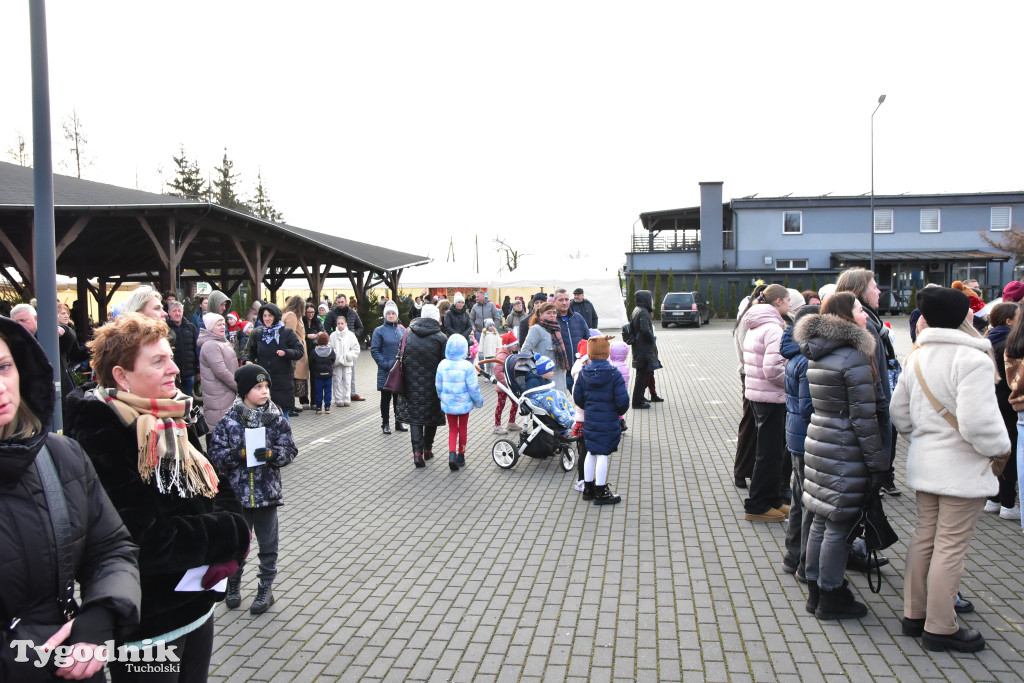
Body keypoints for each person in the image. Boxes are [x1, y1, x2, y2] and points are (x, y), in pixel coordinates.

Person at [65, 313, 250, 681]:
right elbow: (138, 539)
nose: (175, 370)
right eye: (159, 361)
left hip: (196, 605)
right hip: (146, 621)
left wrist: (234, 527)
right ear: (121, 376)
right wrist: (230, 534)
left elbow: (216, 485)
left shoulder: (171, 415)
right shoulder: (100, 433)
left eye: (171, 357)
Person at [0, 315, 141, 682]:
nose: (0, 386)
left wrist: (100, 617)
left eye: (4, 366)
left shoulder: (60, 456)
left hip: (69, 669)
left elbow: (110, 547)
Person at [890, 287, 1010, 653]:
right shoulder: (972, 359)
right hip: (961, 468)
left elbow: (899, 413)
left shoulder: (917, 354)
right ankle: (941, 626)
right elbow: (978, 425)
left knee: (925, 536)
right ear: (965, 317)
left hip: (926, 462)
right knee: (950, 546)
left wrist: (924, 437)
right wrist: (1001, 450)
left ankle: (915, 614)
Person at [794, 293, 886, 620]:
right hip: (845, 447)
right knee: (839, 523)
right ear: (847, 315)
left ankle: (817, 591)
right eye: (861, 309)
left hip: (821, 440)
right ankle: (832, 596)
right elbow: (864, 417)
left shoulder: (820, 350)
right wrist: (878, 464)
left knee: (822, 516)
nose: (866, 314)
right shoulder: (854, 356)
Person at [208, 365, 297, 616]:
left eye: (266, 386)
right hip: (238, 497)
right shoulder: (229, 420)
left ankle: (265, 589)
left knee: (268, 545)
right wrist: (237, 454)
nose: (265, 391)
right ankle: (233, 585)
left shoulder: (276, 418)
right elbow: (215, 455)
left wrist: (271, 454)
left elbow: (290, 450)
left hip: (267, 495)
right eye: (258, 387)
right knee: (238, 544)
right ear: (245, 391)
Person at [836, 268, 898, 495]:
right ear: (860, 291)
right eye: (874, 286)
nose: (879, 291)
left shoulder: (858, 322)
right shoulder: (865, 326)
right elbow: (874, 379)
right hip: (866, 420)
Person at [741, 284, 790, 523]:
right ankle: (758, 504)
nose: (790, 306)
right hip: (771, 396)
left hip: (760, 395)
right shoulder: (773, 329)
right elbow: (772, 370)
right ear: (778, 302)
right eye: (789, 301)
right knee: (769, 454)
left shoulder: (757, 324)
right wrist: (791, 383)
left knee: (771, 452)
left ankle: (772, 499)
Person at [780, 304, 820, 579]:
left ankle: (792, 556)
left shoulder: (795, 354)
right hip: (806, 436)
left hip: (796, 435)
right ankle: (803, 562)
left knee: (798, 499)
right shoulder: (806, 361)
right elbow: (809, 407)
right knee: (807, 503)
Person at [574, 337, 630, 505]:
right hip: (608, 420)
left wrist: (589, 408)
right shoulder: (614, 374)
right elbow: (623, 401)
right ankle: (601, 492)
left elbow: (578, 397)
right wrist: (618, 413)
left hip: (590, 420)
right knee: (603, 454)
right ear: (607, 353)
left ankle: (588, 488)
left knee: (591, 451)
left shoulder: (583, 373)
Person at [396, 304, 448, 468]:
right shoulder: (441, 337)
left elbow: (400, 355)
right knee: (431, 416)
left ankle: (417, 452)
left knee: (415, 417)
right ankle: (427, 448)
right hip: (433, 384)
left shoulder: (407, 334)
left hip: (411, 383)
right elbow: (445, 362)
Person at [984, 302, 1020, 520]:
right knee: (1011, 451)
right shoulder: (1010, 343)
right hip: (1008, 404)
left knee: (996, 451)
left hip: (991, 402)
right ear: (1009, 321)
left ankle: (994, 498)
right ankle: (1007, 502)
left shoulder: (987, 339)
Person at [241, 302, 305, 416]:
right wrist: (248, 361)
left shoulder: (286, 333)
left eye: (270, 315)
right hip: (264, 382)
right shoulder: (259, 334)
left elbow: (299, 351)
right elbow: (251, 351)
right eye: (264, 316)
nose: (267, 318)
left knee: (282, 418)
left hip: (282, 382)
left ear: (276, 316)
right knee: (265, 417)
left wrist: (285, 352)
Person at [435, 334, 483, 470]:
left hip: (448, 403)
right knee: (463, 427)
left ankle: (451, 454)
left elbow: (438, 385)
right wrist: (478, 401)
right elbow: (473, 388)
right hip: (463, 403)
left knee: (452, 429)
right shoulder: (467, 366)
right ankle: (461, 455)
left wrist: (441, 397)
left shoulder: (442, 364)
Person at [198, 312, 239, 435]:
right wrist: (239, 387)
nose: (223, 327)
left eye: (223, 324)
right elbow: (221, 372)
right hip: (218, 395)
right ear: (210, 327)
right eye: (218, 325)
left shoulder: (221, 341)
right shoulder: (210, 345)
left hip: (228, 392)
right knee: (218, 430)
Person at [371, 300, 407, 435]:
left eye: (393, 313)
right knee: (385, 398)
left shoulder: (402, 330)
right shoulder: (379, 331)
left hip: (399, 370)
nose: (391, 316)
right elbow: (375, 350)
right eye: (389, 313)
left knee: (398, 398)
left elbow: (406, 348)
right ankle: (385, 423)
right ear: (385, 315)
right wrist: (385, 364)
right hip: (386, 370)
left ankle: (399, 421)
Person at [521, 302, 571, 394]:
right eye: (548, 313)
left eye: (554, 312)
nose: (552, 315)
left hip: (560, 372)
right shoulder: (536, 329)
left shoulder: (556, 327)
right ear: (540, 314)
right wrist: (537, 368)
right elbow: (525, 350)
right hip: (546, 376)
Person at [324, 294, 366, 401]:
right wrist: (333, 336)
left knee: (351, 371)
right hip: (337, 346)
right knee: (337, 374)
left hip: (349, 346)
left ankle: (352, 393)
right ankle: (339, 396)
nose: (340, 304)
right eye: (338, 302)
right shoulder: (331, 314)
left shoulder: (352, 313)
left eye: (342, 302)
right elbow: (326, 328)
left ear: (346, 301)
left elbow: (360, 327)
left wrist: (353, 335)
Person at [553, 289, 591, 391]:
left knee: (583, 398)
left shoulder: (578, 318)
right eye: (561, 300)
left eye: (566, 299)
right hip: (560, 370)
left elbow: (588, 339)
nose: (564, 302)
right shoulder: (552, 320)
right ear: (554, 302)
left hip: (579, 368)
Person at [629, 290, 660, 409]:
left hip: (639, 348)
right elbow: (645, 330)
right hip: (644, 349)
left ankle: (640, 398)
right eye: (650, 298)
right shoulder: (643, 312)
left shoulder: (637, 310)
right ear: (645, 299)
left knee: (642, 375)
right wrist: (652, 339)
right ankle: (637, 402)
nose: (651, 301)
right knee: (641, 376)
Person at [280, 297, 309, 415]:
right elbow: (290, 334)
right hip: (295, 352)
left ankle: (291, 405)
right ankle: (289, 406)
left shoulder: (289, 314)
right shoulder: (291, 315)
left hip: (296, 351)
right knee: (292, 380)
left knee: (293, 380)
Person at [166, 301, 200, 397]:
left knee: (188, 398)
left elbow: (196, 350)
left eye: (179, 311)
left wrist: (198, 370)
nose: (177, 313)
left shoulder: (191, 327)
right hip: (173, 374)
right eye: (174, 311)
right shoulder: (165, 328)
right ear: (169, 312)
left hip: (189, 372)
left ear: (183, 311)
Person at [493, 332, 521, 435]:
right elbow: (498, 372)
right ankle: (497, 425)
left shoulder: (510, 354)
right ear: (508, 345)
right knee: (501, 404)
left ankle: (511, 422)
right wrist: (507, 383)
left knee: (515, 402)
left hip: (509, 385)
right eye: (514, 344)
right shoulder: (502, 356)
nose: (516, 346)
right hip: (503, 386)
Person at [329, 316, 360, 407]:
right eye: (338, 323)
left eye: (342, 323)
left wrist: (348, 356)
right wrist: (335, 358)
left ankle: (347, 398)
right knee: (337, 381)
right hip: (337, 363)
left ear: (346, 324)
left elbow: (356, 348)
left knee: (347, 381)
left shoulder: (351, 335)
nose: (340, 325)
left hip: (347, 362)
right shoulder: (333, 335)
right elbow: (330, 348)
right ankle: (338, 399)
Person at [310, 332, 336, 414]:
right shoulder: (331, 351)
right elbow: (333, 360)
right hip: (328, 375)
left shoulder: (314, 351)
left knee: (318, 391)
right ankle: (327, 407)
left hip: (318, 375)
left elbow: (311, 362)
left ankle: (318, 408)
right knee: (328, 391)